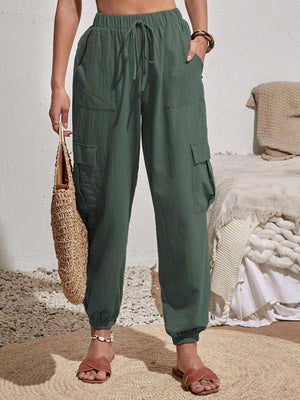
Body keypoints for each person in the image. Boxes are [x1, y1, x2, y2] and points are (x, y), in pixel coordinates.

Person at [49, 0, 219, 395]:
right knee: (103, 193)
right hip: (106, 45)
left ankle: (187, 345)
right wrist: (58, 84)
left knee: (183, 196)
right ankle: (101, 334)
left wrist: (201, 33)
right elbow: (68, 3)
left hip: (170, 42)